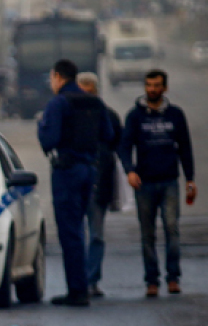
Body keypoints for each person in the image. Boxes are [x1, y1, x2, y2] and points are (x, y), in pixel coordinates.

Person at [38, 59, 114, 307]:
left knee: (70, 232)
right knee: (80, 229)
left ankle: (77, 291)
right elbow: (109, 135)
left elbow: (49, 140)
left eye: (52, 78)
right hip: (89, 171)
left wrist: (42, 125)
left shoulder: (58, 103)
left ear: (58, 77)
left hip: (67, 172)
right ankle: (81, 286)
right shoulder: (94, 101)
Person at [117, 69, 196, 298]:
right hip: (145, 183)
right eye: (149, 85)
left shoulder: (175, 115)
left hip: (170, 181)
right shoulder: (135, 116)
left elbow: (185, 148)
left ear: (165, 88)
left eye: (157, 85)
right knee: (147, 233)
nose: (152, 89)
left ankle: (173, 278)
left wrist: (190, 179)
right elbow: (124, 147)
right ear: (145, 87)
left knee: (172, 229)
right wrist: (129, 171)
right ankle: (152, 280)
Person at [75, 72, 123, 298]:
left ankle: (91, 280)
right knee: (76, 234)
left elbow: (117, 144)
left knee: (96, 235)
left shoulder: (108, 116)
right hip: (75, 183)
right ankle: (78, 281)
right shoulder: (69, 116)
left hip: (99, 184)